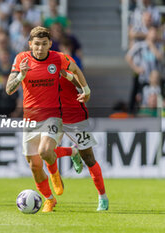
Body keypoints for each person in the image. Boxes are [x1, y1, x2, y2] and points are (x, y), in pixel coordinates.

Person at [6, 26, 90, 212]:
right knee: (34, 165)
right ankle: (49, 199)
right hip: (30, 119)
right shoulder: (21, 59)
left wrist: (86, 89)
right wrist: (21, 75)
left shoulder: (58, 58)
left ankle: (54, 174)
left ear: (50, 44)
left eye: (44, 44)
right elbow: (9, 89)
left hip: (53, 116)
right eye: (36, 44)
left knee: (45, 151)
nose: (40, 48)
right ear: (30, 44)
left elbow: (75, 68)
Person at [49, 55, 109, 211]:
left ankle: (102, 197)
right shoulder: (34, 65)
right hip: (52, 115)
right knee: (46, 151)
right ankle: (72, 151)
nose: (40, 49)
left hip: (74, 114)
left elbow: (79, 84)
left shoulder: (63, 59)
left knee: (89, 159)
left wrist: (67, 75)